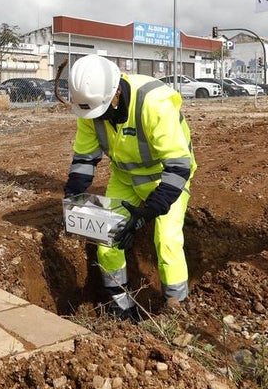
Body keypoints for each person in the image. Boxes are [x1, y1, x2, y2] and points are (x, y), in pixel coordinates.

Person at [63, 55, 197, 321]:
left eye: (101, 110)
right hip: (124, 179)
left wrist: (147, 213)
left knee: (167, 239)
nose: (97, 118)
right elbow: (84, 159)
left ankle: (176, 308)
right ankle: (121, 307)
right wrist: (72, 198)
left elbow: (179, 166)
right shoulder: (89, 109)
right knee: (107, 238)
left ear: (115, 93)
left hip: (165, 179)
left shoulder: (154, 104)